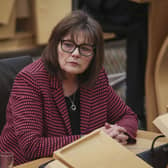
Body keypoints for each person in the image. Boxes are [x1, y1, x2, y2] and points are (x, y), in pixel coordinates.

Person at [0, 10, 138, 165]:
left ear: (94, 55)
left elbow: (128, 116)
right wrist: (93, 140)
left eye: (85, 48)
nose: (75, 53)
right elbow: (32, 146)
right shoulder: (30, 80)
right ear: (55, 45)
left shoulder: (96, 77)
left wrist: (119, 131)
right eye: (68, 45)